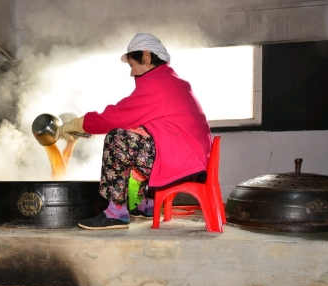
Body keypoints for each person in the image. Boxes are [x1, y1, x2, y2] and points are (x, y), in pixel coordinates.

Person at [56, 33, 212, 230]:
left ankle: (116, 212)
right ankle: (149, 204)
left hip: (184, 164)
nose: (131, 73)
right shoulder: (171, 81)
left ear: (146, 57)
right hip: (191, 161)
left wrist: (76, 124)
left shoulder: (157, 84)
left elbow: (115, 117)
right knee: (136, 136)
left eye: (132, 65)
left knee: (118, 138)